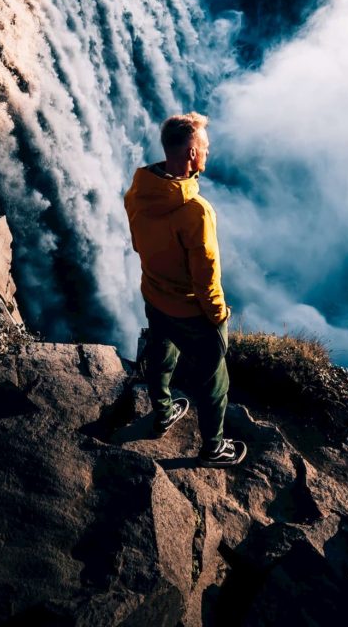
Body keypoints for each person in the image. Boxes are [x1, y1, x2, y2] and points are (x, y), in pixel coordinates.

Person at [124, 112, 247, 468]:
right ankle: (213, 448)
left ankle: (162, 412)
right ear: (192, 154)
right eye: (205, 147)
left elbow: (137, 243)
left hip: (153, 294)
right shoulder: (195, 211)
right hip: (192, 311)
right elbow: (206, 276)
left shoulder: (138, 191)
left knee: (160, 356)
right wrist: (219, 315)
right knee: (214, 381)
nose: (208, 153)